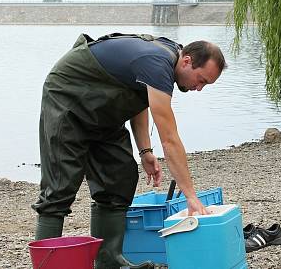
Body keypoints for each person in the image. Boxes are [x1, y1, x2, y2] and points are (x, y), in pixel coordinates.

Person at [31, 32, 226, 268]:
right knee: (59, 189)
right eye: (201, 80)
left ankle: (109, 261)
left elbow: (138, 95)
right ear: (187, 61)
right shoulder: (156, 62)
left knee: (119, 178)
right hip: (68, 100)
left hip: (104, 112)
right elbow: (170, 139)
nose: (199, 88)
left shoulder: (168, 58)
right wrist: (190, 197)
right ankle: (46, 265)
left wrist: (145, 151)